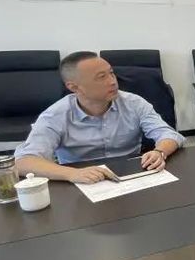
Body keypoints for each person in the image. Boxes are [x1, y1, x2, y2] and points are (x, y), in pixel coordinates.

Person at [15, 52, 183, 183]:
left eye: (111, 73)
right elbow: (23, 161)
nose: (113, 81)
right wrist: (72, 174)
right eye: (101, 77)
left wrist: (159, 151)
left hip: (131, 174)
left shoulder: (134, 103)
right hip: (81, 179)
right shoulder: (56, 115)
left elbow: (169, 134)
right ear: (74, 87)